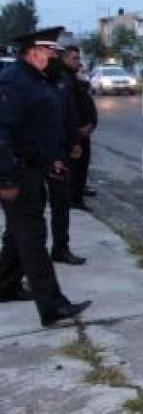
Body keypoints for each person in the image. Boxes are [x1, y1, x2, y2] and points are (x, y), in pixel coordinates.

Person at [0, 27, 92, 326]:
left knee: (18, 234)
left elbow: (39, 130)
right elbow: (2, 133)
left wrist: (52, 160)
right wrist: (6, 180)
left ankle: (6, 285)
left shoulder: (37, 80)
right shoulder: (15, 82)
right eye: (49, 49)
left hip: (33, 167)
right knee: (33, 237)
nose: (55, 54)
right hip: (17, 172)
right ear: (32, 51)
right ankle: (52, 305)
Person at [45, 47, 86, 265]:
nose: (50, 57)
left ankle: (61, 248)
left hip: (59, 151)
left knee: (61, 202)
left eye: (52, 53)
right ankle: (17, 262)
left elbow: (70, 114)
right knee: (29, 211)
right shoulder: (22, 80)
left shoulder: (62, 80)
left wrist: (75, 142)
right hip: (31, 155)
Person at [62, 46, 98, 210]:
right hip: (74, 134)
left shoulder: (74, 79)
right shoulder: (64, 80)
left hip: (83, 131)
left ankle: (77, 196)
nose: (78, 62)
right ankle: (74, 199)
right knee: (75, 168)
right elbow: (67, 110)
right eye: (74, 58)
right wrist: (77, 131)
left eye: (78, 58)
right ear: (65, 59)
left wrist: (91, 123)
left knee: (81, 168)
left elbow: (84, 104)